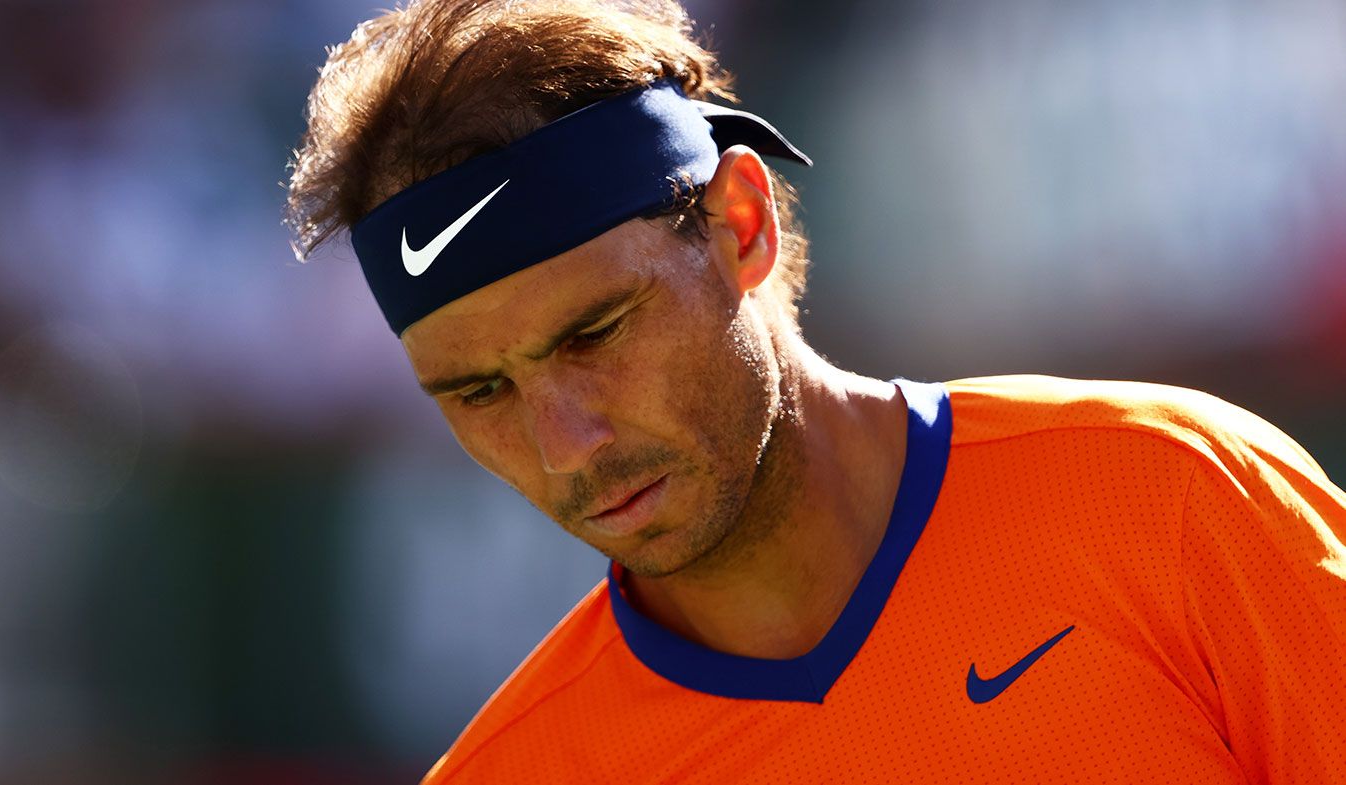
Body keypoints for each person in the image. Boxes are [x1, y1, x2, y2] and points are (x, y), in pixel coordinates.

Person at [284, 1, 1346, 781]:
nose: (564, 441)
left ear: (742, 225)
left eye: (596, 331)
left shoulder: (1172, 493)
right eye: (477, 391)